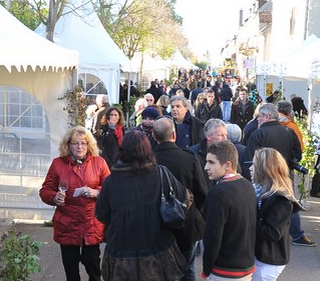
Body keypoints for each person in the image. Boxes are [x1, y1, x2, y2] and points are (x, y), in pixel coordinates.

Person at [95, 131, 187, 281]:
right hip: (157, 250)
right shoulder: (161, 173)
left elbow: (101, 214)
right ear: (147, 150)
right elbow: (184, 199)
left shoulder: (111, 182)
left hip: (121, 252)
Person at [39, 126, 110, 281]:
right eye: (75, 143)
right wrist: (54, 197)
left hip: (91, 222)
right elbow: (45, 190)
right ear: (68, 145)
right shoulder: (58, 164)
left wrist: (96, 192)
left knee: (93, 264)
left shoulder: (99, 163)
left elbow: (111, 188)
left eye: (84, 143)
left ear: (89, 145)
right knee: (71, 269)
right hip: (67, 222)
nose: (80, 147)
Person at [243, 104, 316, 247]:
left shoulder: (258, 134)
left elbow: (248, 159)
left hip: (262, 176)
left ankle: (263, 232)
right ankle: (296, 234)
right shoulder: (289, 131)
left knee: (260, 205)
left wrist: (249, 178)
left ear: (267, 116)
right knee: (288, 202)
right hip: (284, 175)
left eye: (259, 117)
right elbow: (298, 156)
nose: (257, 119)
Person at [153, 117, 208, 281]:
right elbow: (202, 192)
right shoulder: (189, 158)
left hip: (157, 224)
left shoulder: (149, 160)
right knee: (187, 270)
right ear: (174, 135)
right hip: (186, 222)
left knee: (159, 271)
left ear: (154, 137)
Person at [202, 140, 257, 280]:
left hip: (224, 270)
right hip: (246, 267)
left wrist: (206, 269)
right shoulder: (248, 186)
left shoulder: (217, 193)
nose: (206, 167)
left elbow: (212, 237)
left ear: (227, 165)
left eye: (211, 162)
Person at [251, 148, 304, 281]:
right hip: (263, 256)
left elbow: (272, 233)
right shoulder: (261, 191)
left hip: (268, 259)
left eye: (254, 165)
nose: (250, 168)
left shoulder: (281, 199)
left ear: (264, 169)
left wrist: (247, 221)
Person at [189, 118, 228, 189]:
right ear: (208, 136)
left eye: (226, 135)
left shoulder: (228, 153)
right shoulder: (193, 154)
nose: (225, 139)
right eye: (221, 135)